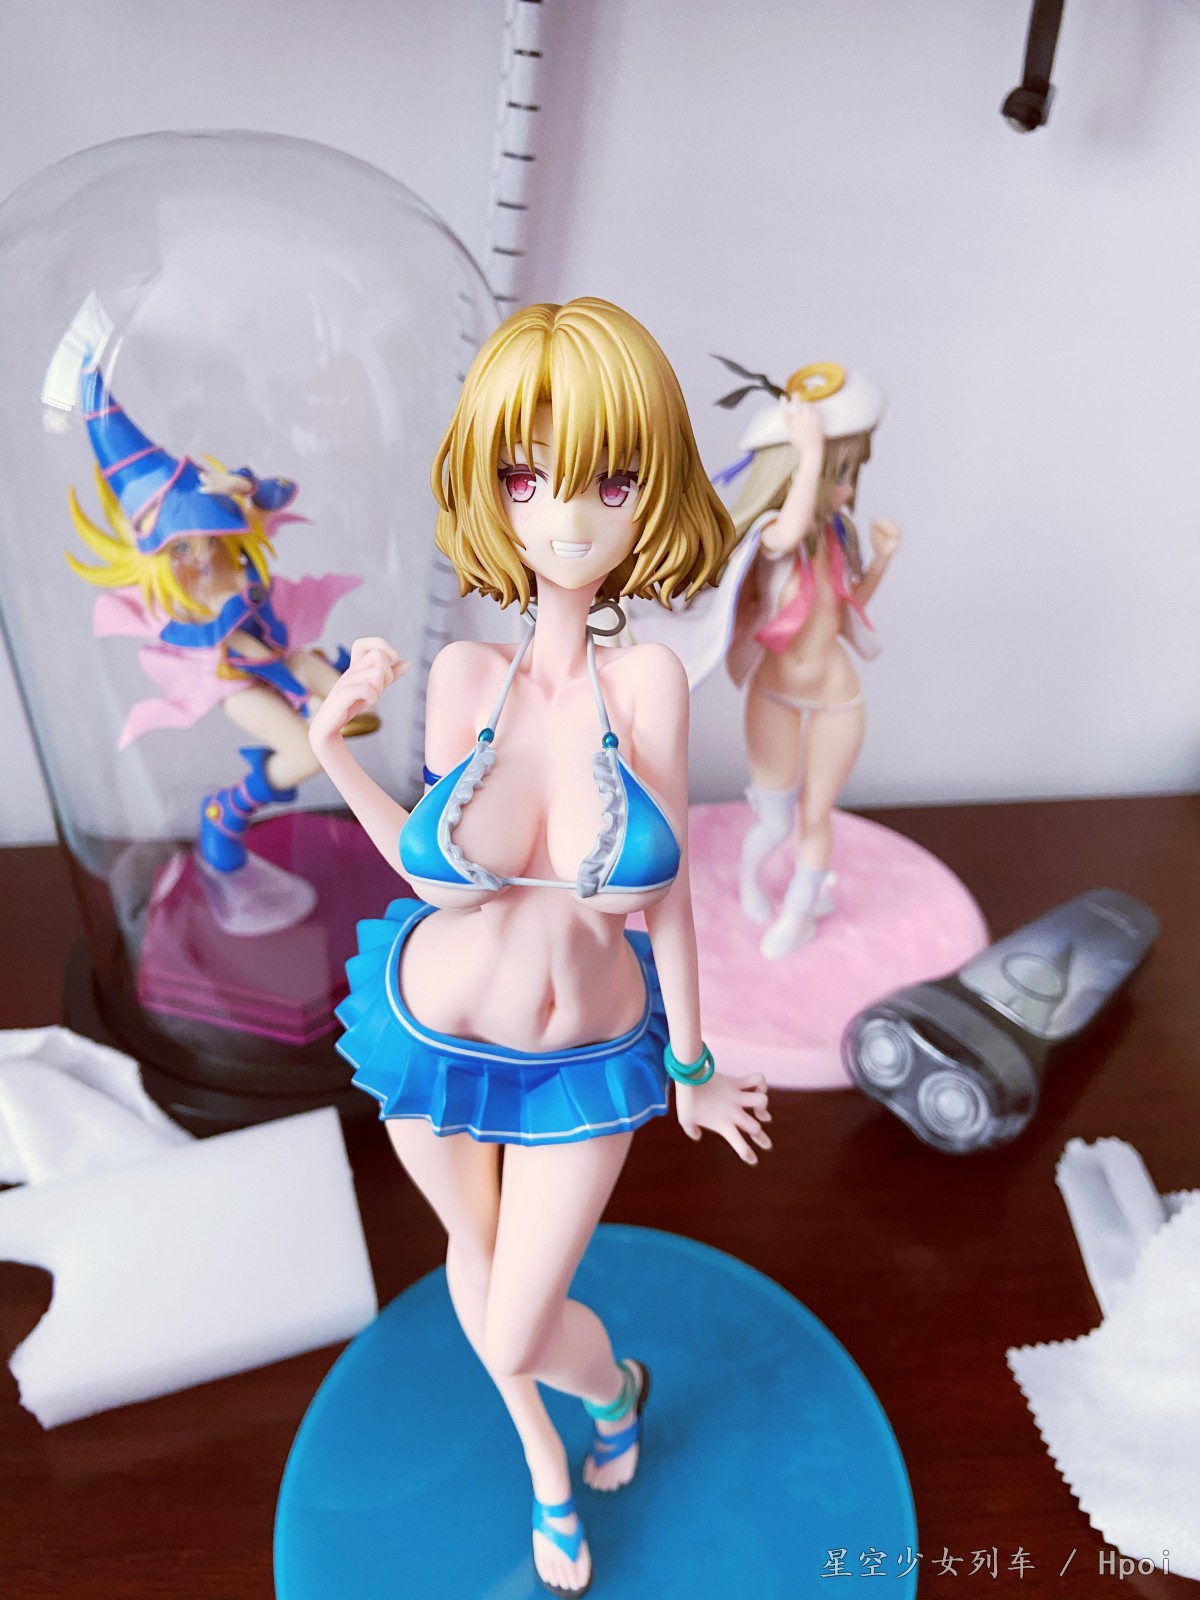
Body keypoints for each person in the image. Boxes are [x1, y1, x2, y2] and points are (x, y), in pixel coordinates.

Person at [310, 298, 772, 1598]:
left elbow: (668, 899)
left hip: (583, 1062)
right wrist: (335, 747)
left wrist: (693, 1064)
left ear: (651, 490)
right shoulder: (465, 676)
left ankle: (613, 1386)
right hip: (435, 1028)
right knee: (475, 1262)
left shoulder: (650, 686)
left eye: (608, 481)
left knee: (519, 1320)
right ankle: (546, 1464)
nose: (567, 517)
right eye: (529, 478)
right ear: (493, 487)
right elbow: (429, 874)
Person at [67, 363, 372, 897]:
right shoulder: (173, 601)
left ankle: (325, 707)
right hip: (231, 682)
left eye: (205, 534)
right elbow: (223, 646)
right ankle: (227, 810)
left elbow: (285, 489)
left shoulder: (234, 548)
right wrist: (292, 689)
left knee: (354, 699)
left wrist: (246, 487)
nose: (203, 551)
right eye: (182, 545)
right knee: (306, 755)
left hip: (280, 656)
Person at [716, 360, 903, 958]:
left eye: (849, 472)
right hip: (774, 690)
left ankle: (798, 912)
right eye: (836, 472)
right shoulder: (774, 535)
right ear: (798, 468)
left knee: (816, 815)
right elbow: (786, 531)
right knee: (773, 820)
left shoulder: (838, 535)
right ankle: (752, 882)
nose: (846, 489)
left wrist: (882, 558)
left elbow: (851, 604)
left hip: (836, 696)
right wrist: (812, 451)